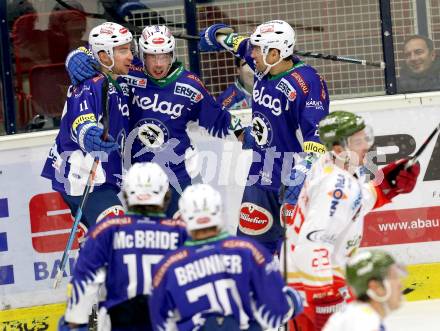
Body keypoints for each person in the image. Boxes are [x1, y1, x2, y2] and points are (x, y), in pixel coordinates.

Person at [64, 24, 244, 219]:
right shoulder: (127, 72)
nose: (158, 64)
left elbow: (218, 116)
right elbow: (103, 53)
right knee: (146, 240)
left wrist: (244, 132)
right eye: (151, 56)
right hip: (138, 178)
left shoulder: (191, 84)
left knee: (186, 236)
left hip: (180, 174)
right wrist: (76, 56)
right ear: (141, 54)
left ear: (172, 54)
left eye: (164, 55)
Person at [199, 20, 329, 255]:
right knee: (250, 251)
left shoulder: (307, 82)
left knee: (295, 253)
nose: (252, 54)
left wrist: (305, 170)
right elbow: (238, 44)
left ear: (276, 53)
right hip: (259, 175)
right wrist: (217, 36)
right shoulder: (262, 65)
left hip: (291, 181)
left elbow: (317, 132)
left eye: (258, 49)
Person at [281, 111, 420, 331]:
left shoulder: (334, 165)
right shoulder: (336, 185)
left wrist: (384, 188)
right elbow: (312, 244)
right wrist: (324, 295)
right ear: (339, 148)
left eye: (365, 137)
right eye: (358, 141)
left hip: (308, 280)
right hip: (314, 286)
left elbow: (349, 205)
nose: (366, 144)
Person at [149, 183, 303, 331]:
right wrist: (294, 300)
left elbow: (160, 322)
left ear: (183, 217)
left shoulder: (168, 265)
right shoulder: (249, 251)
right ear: (220, 212)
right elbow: (276, 313)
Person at [58, 162, 187, 331]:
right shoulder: (182, 233)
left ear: (126, 195)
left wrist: (77, 323)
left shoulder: (105, 232)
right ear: (166, 196)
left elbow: (86, 285)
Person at [41, 22, 133, 229]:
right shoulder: (90, 84)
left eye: (130, 49)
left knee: (102, 241)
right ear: (104, 56)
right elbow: (80, 119)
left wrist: (80, 53)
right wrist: (89, 134)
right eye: (123, 50)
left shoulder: (117, 77)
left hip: (102, 176)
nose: (130, 56)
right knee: (116, 229)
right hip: (81, 178)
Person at [323, 249, 406, 331]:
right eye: (394, 277)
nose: (400, 285)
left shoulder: (357, 315)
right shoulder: (364, 320)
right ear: (376, 287)